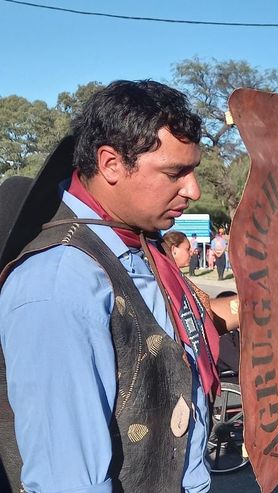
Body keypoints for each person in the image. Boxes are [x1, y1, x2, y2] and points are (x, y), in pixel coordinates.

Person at [0, 80, 238, 492]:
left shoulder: (142, 245)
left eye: (193, 169)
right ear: (110, 164)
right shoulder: (59, 285)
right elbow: (69, 483)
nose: (193, 190)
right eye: (175, 172)